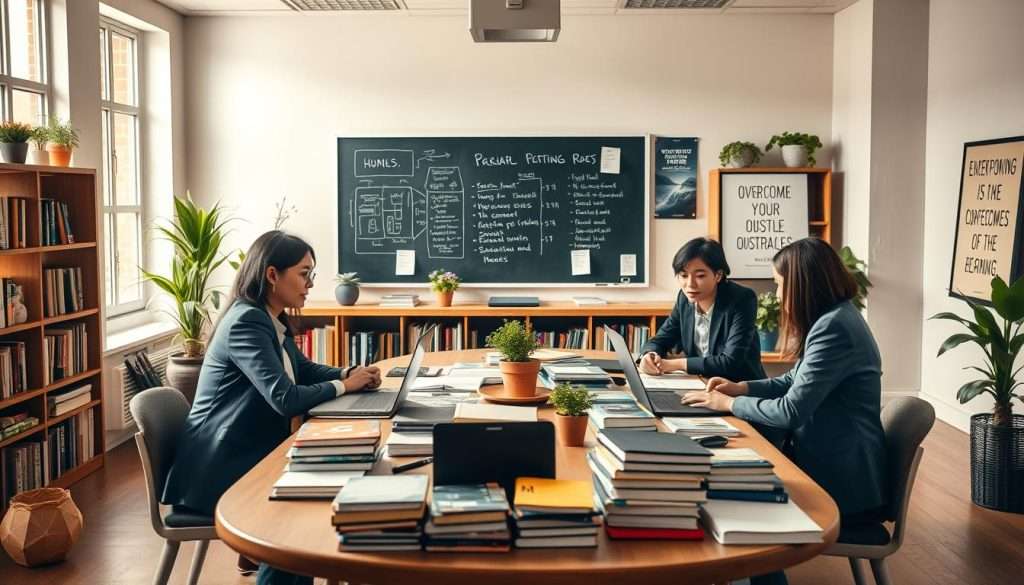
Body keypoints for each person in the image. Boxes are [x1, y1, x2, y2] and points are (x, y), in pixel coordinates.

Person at [161, 231, 381, 585]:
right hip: (218, 470)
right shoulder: (246, 322)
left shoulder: (267, 317)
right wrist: (344, 386)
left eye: (312, 273)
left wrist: (347, 372)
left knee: (326, 485)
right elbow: (285, 398)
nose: (310, 283)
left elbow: (302, 369)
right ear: (272, 274)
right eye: (303, 273)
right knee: (299, 512)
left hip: (243, 452)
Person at [682, 237, 887, 585]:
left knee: (737, 498)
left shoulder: (834, 328)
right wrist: (741, 387)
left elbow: (791, 410)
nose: (776, 296)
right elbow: (793, 380)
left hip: (842, 482)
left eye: (779, 285)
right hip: (834, 462)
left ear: (803, 285)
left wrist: (729, 404)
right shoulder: (834, 318)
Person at [638, 237, 765, 382]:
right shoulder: (684, 299)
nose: (690, 284)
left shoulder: (742, 299)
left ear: (718, 275)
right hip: (700, 383)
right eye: (684, 275)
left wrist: (674, 364)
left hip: (739, 389)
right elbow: (661, 339)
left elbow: (731, 362)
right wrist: (649, 355)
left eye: (700, 276)